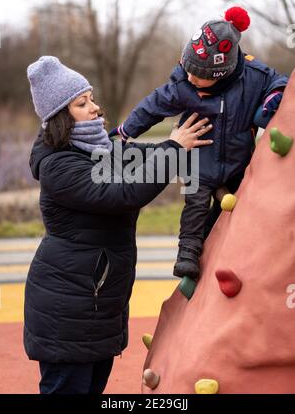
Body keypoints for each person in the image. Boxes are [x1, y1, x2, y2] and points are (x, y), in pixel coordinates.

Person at [24, 56, 213, 395]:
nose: (95, 108)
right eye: (82, 103)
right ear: (61, 118)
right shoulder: (60, 166)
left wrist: (175, 143)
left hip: (94, 308)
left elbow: (136, 158)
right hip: (68, 312)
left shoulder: (96, 150)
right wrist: (173, 149)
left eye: (91, 98)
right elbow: (124, 192)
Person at [109, 6, 289, 282]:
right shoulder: (183, 84)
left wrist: (271, 100)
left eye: (198, 74)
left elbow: (278, 83)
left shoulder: (253, 77)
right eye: (187, 68)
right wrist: (125, 130)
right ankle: (188, 255)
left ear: (221, 73)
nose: (190, 77)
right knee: (194, 205)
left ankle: (233, 250)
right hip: (199, 159)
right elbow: (153, 106)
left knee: (237, 206)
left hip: (238, 159)